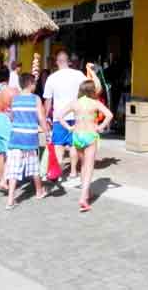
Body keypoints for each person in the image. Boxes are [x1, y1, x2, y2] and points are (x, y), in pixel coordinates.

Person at [60, 80, 113, 212]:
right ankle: (83, 197)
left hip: (77, 135)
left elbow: (59, 116)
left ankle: (87, 192)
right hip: (90, 134)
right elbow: (109, 115)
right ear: (92, 90)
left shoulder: (75, 103)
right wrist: (100, 127)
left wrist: (69, 127)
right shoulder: (94, 103)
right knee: (89, 167)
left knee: (83, 165)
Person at [5, 73, 49, 209]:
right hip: (29, 138)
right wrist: (47, 133)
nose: (35, 86)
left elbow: (12, 117)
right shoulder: (36, 99)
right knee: (34, 167)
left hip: (16, 137)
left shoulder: (15, 99)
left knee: (13, 169)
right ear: (30, 84)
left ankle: (10, 199)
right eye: (35, 83)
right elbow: (41, 118)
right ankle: (39, 191)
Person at [43, 51, 88, 184]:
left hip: (59, 117)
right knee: (74, 144)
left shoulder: (52, 77)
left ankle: (58, 173)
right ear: (69, 61)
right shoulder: (78, 74)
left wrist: (46, 117)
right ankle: (73, 172)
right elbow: (88, 89)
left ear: (57, 62)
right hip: (76, 115)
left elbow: (48, 100)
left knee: (59, 145)